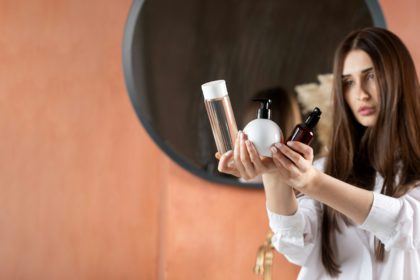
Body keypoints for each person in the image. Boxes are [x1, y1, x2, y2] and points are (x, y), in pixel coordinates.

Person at [216, 27, 420, 279]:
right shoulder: (329, 166)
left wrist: (313, 182)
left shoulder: (321, 177)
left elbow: (407, 225)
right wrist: (274, 173)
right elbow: (296, 245)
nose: (361, 94)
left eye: (372, 76)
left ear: (399, 78)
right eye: (348, 82)